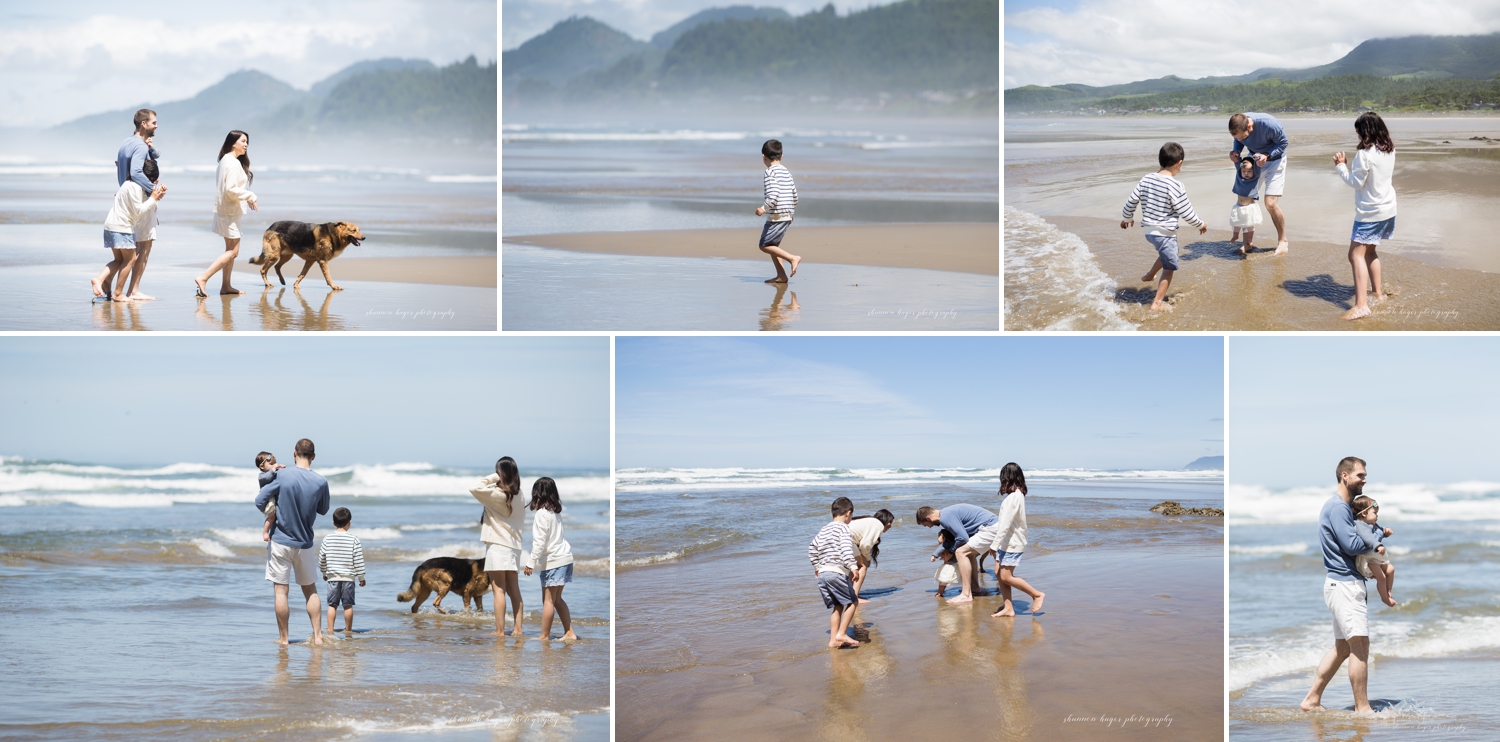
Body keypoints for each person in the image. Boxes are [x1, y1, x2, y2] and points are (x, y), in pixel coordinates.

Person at [1300, 456, 1381, 714]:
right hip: (1344, 585)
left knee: (1343, 647)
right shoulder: (1338, 508)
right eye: (1360, 475)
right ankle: (1363, 708)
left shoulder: (1342, 507)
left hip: (1340, 583)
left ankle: (1312, 700)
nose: (1364, 479)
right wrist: (1375, 537)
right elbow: (1352, 545)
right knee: (1360, 645)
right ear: (1345, 476)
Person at [254, 438, 331, 646]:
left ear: (294, 453)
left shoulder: (281, 475)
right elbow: (323, 510)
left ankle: (284, 638)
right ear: (313, 456)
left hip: (280, 540)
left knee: (281, 591)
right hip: (304, 541)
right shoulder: (321, 482)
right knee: (310, 590)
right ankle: (317, 636)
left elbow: (260, 500)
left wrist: (274, 512)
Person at [1119, 142, 1208, 312]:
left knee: (1169, 252)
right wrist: (1200, 224)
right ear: (1179, 163)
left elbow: (1131, 200)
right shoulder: (1176, 185)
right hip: (1165, 232)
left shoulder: (1146, 178)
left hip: (1149, 232)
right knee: (1169, 267)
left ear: (1160, 160)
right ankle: (1157, 303)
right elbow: (1186, 211)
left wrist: (1127, 218)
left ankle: (1150, 275)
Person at [1334, 112, 1397, 321]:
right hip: (1388, 209)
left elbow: (1356, 182)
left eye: (1358, 131)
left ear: (1364, 131)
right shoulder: (1389, 149)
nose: (1358, 135)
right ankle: (1377, 294)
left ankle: (1362, 305)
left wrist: (1341, 166)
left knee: (1355, 255)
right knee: (1369, 252)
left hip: (1371, 211)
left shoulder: (1365, 154)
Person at [470, 456, 528, 637]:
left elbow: (474, 487)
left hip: (497, 547)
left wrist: (493, 478)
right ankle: (518, 630)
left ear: (500, 473)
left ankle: (500, 631)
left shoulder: (496, 495)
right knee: (514, 591)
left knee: (498, 590)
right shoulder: (520, 495)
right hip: (514, 548)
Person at [196, 130, 258, 298]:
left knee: (230, 249)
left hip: (228, 211)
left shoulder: (228, 160)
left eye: (247, 142)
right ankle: (203, 278)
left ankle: (226, 286)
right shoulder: (231, 162)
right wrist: (250, 195)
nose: (246, 145)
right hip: (228, 213)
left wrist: (247, 197)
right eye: (243, 141)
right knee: (233, 251)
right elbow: (230, 190)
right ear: (233, 143)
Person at [93, 160, 165, 301]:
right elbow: (138, 211)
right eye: (151, 182)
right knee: (130, 259)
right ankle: (118, 293)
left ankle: (100, 280)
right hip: (122, 228)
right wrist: (153, 199)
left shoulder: (126, 184)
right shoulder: (135, 188)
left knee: (119, 260)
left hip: (111, 226)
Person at [112, 108, 165, 301]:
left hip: (127, 198)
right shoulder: (140, 146)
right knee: (145, 246)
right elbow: (136, 172)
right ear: (144, 124)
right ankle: (133, 290)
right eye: (153, 123)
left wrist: (149, 146)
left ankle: (117, 288)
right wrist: (153, 190)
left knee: (132, 249)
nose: (156, 126)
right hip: (141, 197)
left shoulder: (128, 142)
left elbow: (155, 154)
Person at [982, 463, 1045, 618]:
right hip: (1008, 541)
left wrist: (994, 544)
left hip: (1013, 542)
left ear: (1006, 478)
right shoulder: (1017, 495)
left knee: (1005, 576)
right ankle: (1009, 608)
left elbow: (1005, 524)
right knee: (998, 572)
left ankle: (1036, 595)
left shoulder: (1014, 497)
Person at [523, 477, 577, 641]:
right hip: (565, 558)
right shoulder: (555, 513)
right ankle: (569, 632)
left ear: (537, 494)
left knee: (547, 600)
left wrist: (530, 562)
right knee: (557, 599)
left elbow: (539, 542)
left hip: (554, 561)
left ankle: (544, 636)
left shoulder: (541, 514)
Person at [1228, 112, 1291, 255]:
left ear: (1249, 126)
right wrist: (1236, 151)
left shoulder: (1269, 124)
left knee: (1270, 203)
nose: (1241, 139)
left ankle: (1283, 241)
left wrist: (1267, 155)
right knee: (1245, 201)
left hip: (1275, 161)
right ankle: (1248, 243)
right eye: (1237, 137)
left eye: (1243, 136)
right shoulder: (1239, 126)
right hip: (1254, 160)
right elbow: (1238, 140)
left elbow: (1283, 143)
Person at [915, 503, 998, 604]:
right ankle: (975, 588)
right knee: (968, 553)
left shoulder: (945, 518)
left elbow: (963, 538)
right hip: (993, 525)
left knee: (960, 552)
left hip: (990, 527)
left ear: (928, 518)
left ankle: (966, 594)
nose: (929, 527)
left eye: (926, 525)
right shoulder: (946, 513)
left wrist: (951, 551)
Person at [809, 496, 860, 648]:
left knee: (837, 606)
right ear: (848, 514)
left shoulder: (824, 529)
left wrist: (817, 567)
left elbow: (812, 548)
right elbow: (845, 547)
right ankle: (842, 633)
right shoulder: (844, 528)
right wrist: (853, 566)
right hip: (836, 572)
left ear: (833, 515)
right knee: (852, 602)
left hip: (823, 574)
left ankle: (833, 640)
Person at [753, 139, 801, 283]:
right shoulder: (786, 172)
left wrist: (763, 208)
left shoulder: (769, 172)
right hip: (786, 214)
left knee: (764, 246)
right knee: (773, 246)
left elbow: (773, 195)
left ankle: (792, 258)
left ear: (763, 157)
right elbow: (795, 195)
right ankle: (781, 275)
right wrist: (790, 213)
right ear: (781, 157)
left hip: (776, 215)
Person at [319, 507, 366, 634]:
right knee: (348, 605)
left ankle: (330, 630)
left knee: (332, 605)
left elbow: (322, 559)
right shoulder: (354, 539)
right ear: (349, 522)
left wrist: (324, 573)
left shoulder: (327, 539)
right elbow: (358, 560)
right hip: (348, 579)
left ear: (333, 522)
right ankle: (348, 630)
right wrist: (361, 578)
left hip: (333, 578)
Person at [1352, 495, 1396, 607]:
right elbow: (1369, 538)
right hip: (1368, 558)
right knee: (1381, 577)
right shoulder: (1360, 525)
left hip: (1375, 556)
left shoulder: (1371, 523)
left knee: (1390, 570)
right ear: (1364, 513)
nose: (1377, 516)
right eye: (1374, 513)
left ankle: (1388, 590)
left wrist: (1385, 531)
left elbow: (1378, 531)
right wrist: (1378, 545)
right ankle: (1385, 598)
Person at [1229, 152, 1263, 254]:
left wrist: (1257, 158)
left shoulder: (1254, 177)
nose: (1246, 173)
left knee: (1249, 224)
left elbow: (1257, 167)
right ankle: (1235, 235)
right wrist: (1236, 157)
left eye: (1249, 171)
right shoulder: (1239, 177)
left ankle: (1249, 240)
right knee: (1237, 221)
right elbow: (1237, 164)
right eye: (1244, 171)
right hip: (1238, 206)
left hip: (1250, 206)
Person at [256, 451, 284, 542]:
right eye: (271, 464)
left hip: (274, 498)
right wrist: (274, 468)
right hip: (269, 500)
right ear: (262, 466)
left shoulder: (272, 471)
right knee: (272, 516)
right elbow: (268, 477)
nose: (274, 465)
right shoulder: (262, 476)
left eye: (275, 463)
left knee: (276, 517)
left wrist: (280, 468)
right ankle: (265, 531)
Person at [931, 530, 960, 598]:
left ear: (944, 538)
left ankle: (940, 593)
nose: (937, 539)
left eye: (939, 537)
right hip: (956, 565)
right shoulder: (955, 543)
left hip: (948, 566)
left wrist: (933, 556)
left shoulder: (945, 544)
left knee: (942, 581)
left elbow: (938, 550)